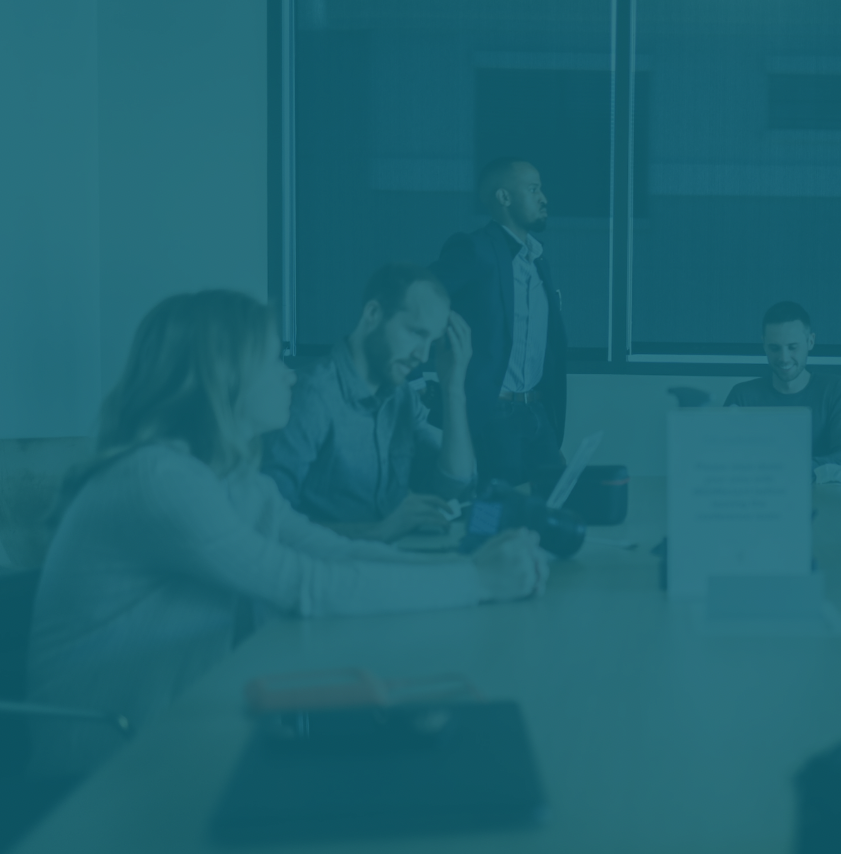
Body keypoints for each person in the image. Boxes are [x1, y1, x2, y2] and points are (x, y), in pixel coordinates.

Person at [27, 290, 547, 779]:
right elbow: (307, 587)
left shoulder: (225, 480)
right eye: (275, 360)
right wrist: (478, 582)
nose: (291, 377)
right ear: (223, 376)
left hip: (173, 738)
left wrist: (469, 572)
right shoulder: (158, 480)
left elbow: (335, 553)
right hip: (102, 771)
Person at [262, 264, 476, 541]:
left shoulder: (402, 398)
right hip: (330, 570)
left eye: (431, 343)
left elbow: (453, 484)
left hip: (386, 561)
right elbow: (270, 523)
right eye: (415, 333)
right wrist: (377, 532)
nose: (423, 357)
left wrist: (454, 388)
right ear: (373, 314)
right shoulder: (311, 396)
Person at [431, 157, 567, 487]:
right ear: (504, 198)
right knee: (498, 515)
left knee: (557, 504)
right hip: (494, 413)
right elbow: (420, 296)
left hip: (537, 410)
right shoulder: (474, 249)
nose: (544, 198)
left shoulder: (537, 260)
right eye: (533, 189)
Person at [724, 301, 841, 480]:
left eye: (792, 347)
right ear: (764, 345)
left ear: (810, 342)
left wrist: (783, 469)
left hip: (826, 502)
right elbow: (723, 459)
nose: (784, 358)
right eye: (775, 348)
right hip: (759, 501)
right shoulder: (742, 396)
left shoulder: (836, 390)